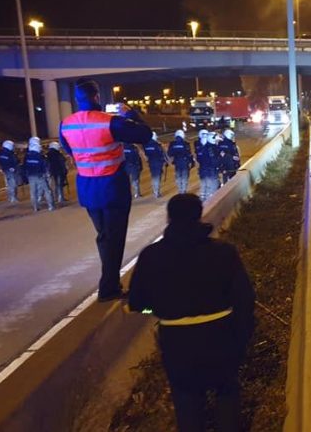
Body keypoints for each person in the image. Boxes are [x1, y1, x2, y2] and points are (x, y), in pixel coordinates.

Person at [128, 194, 255, 432]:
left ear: (169, 218)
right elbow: (244, 298)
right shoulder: (223, 252)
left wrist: (156, 310)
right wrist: (242, 334)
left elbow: (138, 303)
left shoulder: (151, 256)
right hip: (220, 334)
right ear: (199, 215)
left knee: (186, 400)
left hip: (176, 340)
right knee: (226, 392)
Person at [60, 78, 152, 302]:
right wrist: (131, 115)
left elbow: (69, 149)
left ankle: (109, 284)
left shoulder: (66, 124)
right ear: (96, 97)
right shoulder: (110, 122)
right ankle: (108, 288)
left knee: (104, 236)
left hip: (87, 188)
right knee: (114, 238)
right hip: (112, 187)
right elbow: (145, 135)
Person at [23, 137, 55, 212]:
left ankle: (35, 207)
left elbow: (24, 166)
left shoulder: (27, 156)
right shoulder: (40, 156)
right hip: (40, 175)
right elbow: (44, 165)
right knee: (47, 190)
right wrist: (46, 173)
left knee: (33, 192)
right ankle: (51, 206)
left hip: (31, 176)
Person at [168, 129, 194, 194]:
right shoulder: (186, 144)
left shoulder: (172, 144)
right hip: (185, 163)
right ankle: (183, 190)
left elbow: (169, 153)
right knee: (185, 176)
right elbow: (189, 154)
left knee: (178, 176)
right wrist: (192, 162)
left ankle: (180, 190)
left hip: (177, 163)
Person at [143, 132, 168, 198]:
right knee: (157, 178)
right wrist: (165, 161)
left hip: (151, 163)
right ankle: (156, 192)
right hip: (158, 163)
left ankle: (155, 190)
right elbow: (161, 154)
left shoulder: (146, 145)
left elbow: (146, 154)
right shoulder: (157, 145)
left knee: (154, 177)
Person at [197, 133, 219, 200]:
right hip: (210, 170)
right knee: (213, 185)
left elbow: (199, 158)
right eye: (215, 138)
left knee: (205, 184)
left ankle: (204, 198)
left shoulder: (203, 147)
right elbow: (213, 160)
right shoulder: (211, 148)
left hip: (203, 169)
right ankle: (210, 201)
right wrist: (219, 166)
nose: (216, 140)